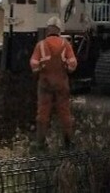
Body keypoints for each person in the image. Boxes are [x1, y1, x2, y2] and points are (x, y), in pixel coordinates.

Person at [29, 16, 78, 150]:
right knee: (65, 112)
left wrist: (39, 68)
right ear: (59, 30)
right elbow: (73, 63)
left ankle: (40, 144)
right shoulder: (65, 44)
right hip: (62, 85)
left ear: (48, 29)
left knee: (43, 113)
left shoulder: (41, 45)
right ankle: (68, 143)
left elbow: (33, 63)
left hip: (45, 85)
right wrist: (68, 67)